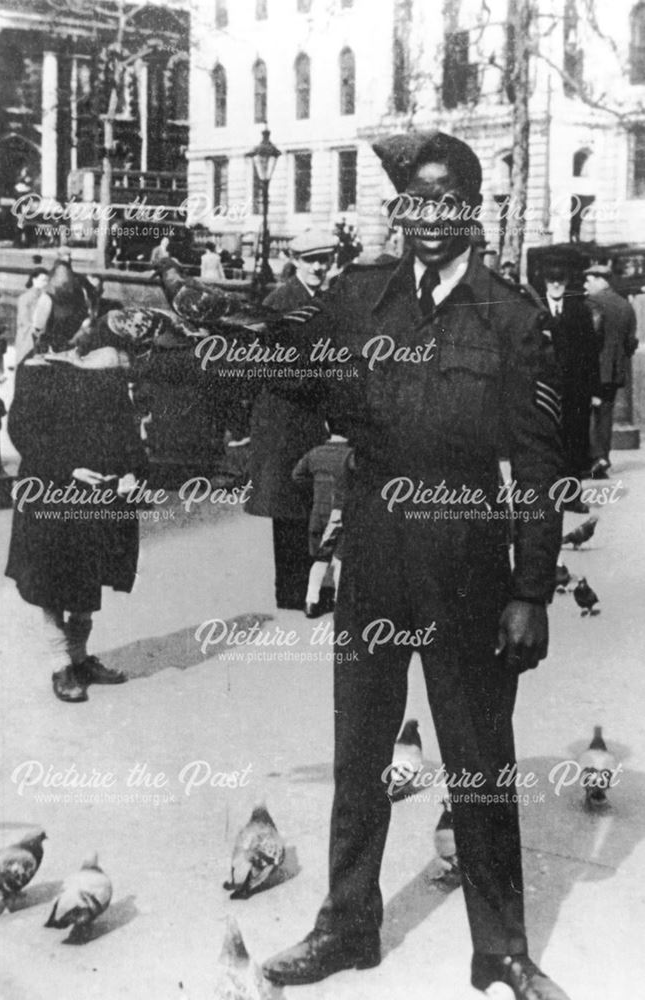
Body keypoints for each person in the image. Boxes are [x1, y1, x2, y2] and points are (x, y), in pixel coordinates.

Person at [261, 131, 569, 1000]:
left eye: (445, 201)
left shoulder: (511, 318)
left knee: (476, 758)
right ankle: (346, 926)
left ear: (468, 209)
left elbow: (541, 469)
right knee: (360, 753)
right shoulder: (358, 300)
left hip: (468, 562)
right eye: (413, 202)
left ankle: (500, 947)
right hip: (373, 555)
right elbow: (294, 374)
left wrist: (530, 590)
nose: (428, 219)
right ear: (398, 212)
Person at [5, 308, 158, 703]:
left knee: (89, 574)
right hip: (54, 489)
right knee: (53, 577)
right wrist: (69, 468)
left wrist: (132, 472)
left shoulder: (108, 368)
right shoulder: (37, 369)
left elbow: (125, 429)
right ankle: (60, 664)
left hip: (101, 491)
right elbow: (24, 432)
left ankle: (80, 655)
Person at [245, 229, 337, 610]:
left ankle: (306, 586)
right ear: (296, 260)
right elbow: (263, 366)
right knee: (288, 505)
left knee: (308, 501)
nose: (319, 266)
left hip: (308, 414)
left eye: (325, 259)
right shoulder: (281, 301)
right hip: (284, 416)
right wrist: (319, 380)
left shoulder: (323, 299)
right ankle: (292, 591)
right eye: (311, 259)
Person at [543, 264, 599, 501]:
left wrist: (594, 391)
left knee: (575, 441)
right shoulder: (534, 310)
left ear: (566, 283)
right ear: (545, 282)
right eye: (551, 279)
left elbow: (590, 353)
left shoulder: (580, 311)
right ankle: (548, 497)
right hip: (544, 391)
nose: (556, 285)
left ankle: (572, 496)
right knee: (547, 444)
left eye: (561, 280)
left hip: (576, 391)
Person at [291, 422, 352, 618]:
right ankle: (339, 602)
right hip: (341, 513)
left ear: (327, 427)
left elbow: (297, 475)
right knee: (340, 558)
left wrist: (316, 490)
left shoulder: (315, 453)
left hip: (318, 512)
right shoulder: (350, 455)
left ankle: (311, 602)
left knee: (320, 558)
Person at [583, 264, 639, 479]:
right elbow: (631, 342)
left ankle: (591, 458)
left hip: (592, 369)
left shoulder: (591, 304)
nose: (585, 285)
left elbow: (588, 339)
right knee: (605, 415)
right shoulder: (626, 305)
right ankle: (603, 458)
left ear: (600, 280)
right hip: (614, 371)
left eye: (589, 280)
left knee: (586, 414)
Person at [30, 260, 93, 354]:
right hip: (57, 348)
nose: (64, 284)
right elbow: (37, 329)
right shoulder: (47, 299)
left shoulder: (77, 295)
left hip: (69, 346)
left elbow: (86, 318)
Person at [14, 267, 49, 365]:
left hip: (41, 339)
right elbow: (24, 320)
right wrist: (37, 331)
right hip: (27, 338)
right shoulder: (24, 298)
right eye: (43, 280)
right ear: (34, 279)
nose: (45, 283)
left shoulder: (45, 298)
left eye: (47, 281)